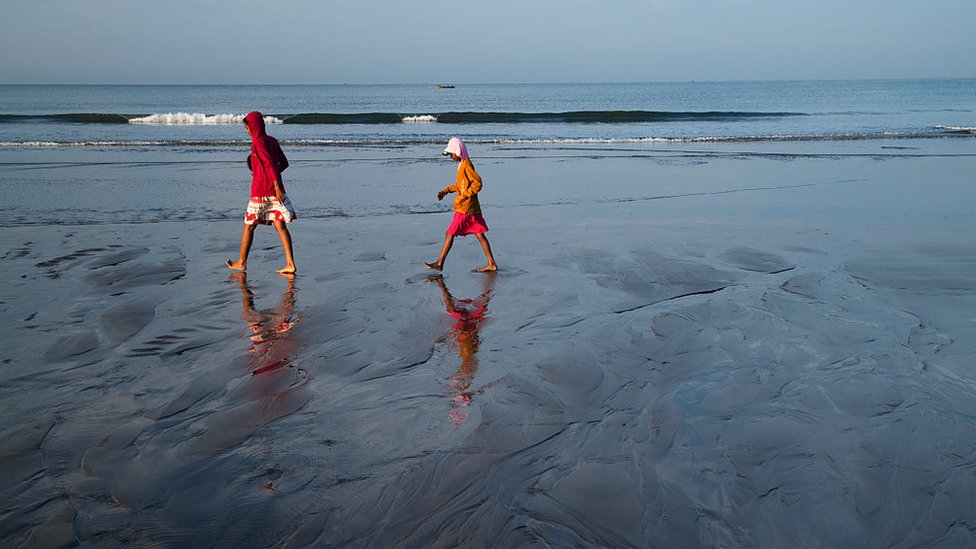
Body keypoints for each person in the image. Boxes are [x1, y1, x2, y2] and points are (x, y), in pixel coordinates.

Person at [226, 111, 297, 275]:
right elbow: (283, 163)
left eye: (247, 127)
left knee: (249, 226)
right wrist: (275, 182)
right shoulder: (272, 140)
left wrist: (268, 179)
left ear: (253, 126)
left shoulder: (258, 143)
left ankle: (241, 262)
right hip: (274, 190)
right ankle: (290, 264)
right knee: (280, 226)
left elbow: (270, 163)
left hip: (261, 191)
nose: (247, 131)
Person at [424, 137, 498, 273]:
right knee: (479, 234)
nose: (451, 156)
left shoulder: (466, 165)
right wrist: (445, 191)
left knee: (450, 233)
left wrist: (465, 194)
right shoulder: (462, 164)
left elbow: (478, 183)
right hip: (472, 208)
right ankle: (491, 264)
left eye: (452, 153)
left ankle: (440, 262)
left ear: (458, 151)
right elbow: (460, 185)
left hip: (465, 208)